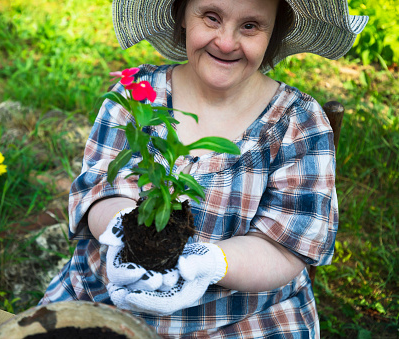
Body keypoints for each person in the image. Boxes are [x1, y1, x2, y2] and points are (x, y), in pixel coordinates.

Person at [40, 0, 368, 337]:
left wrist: (207, 261)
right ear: (182, 14)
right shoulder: (137, 94)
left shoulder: (298, 122)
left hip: (239, 318)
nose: (226, 42)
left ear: (275, 32)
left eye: (251, 26)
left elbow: (286, 247)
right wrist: (125, 229)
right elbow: (102, 189)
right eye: (211, 18)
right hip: (110, 300)